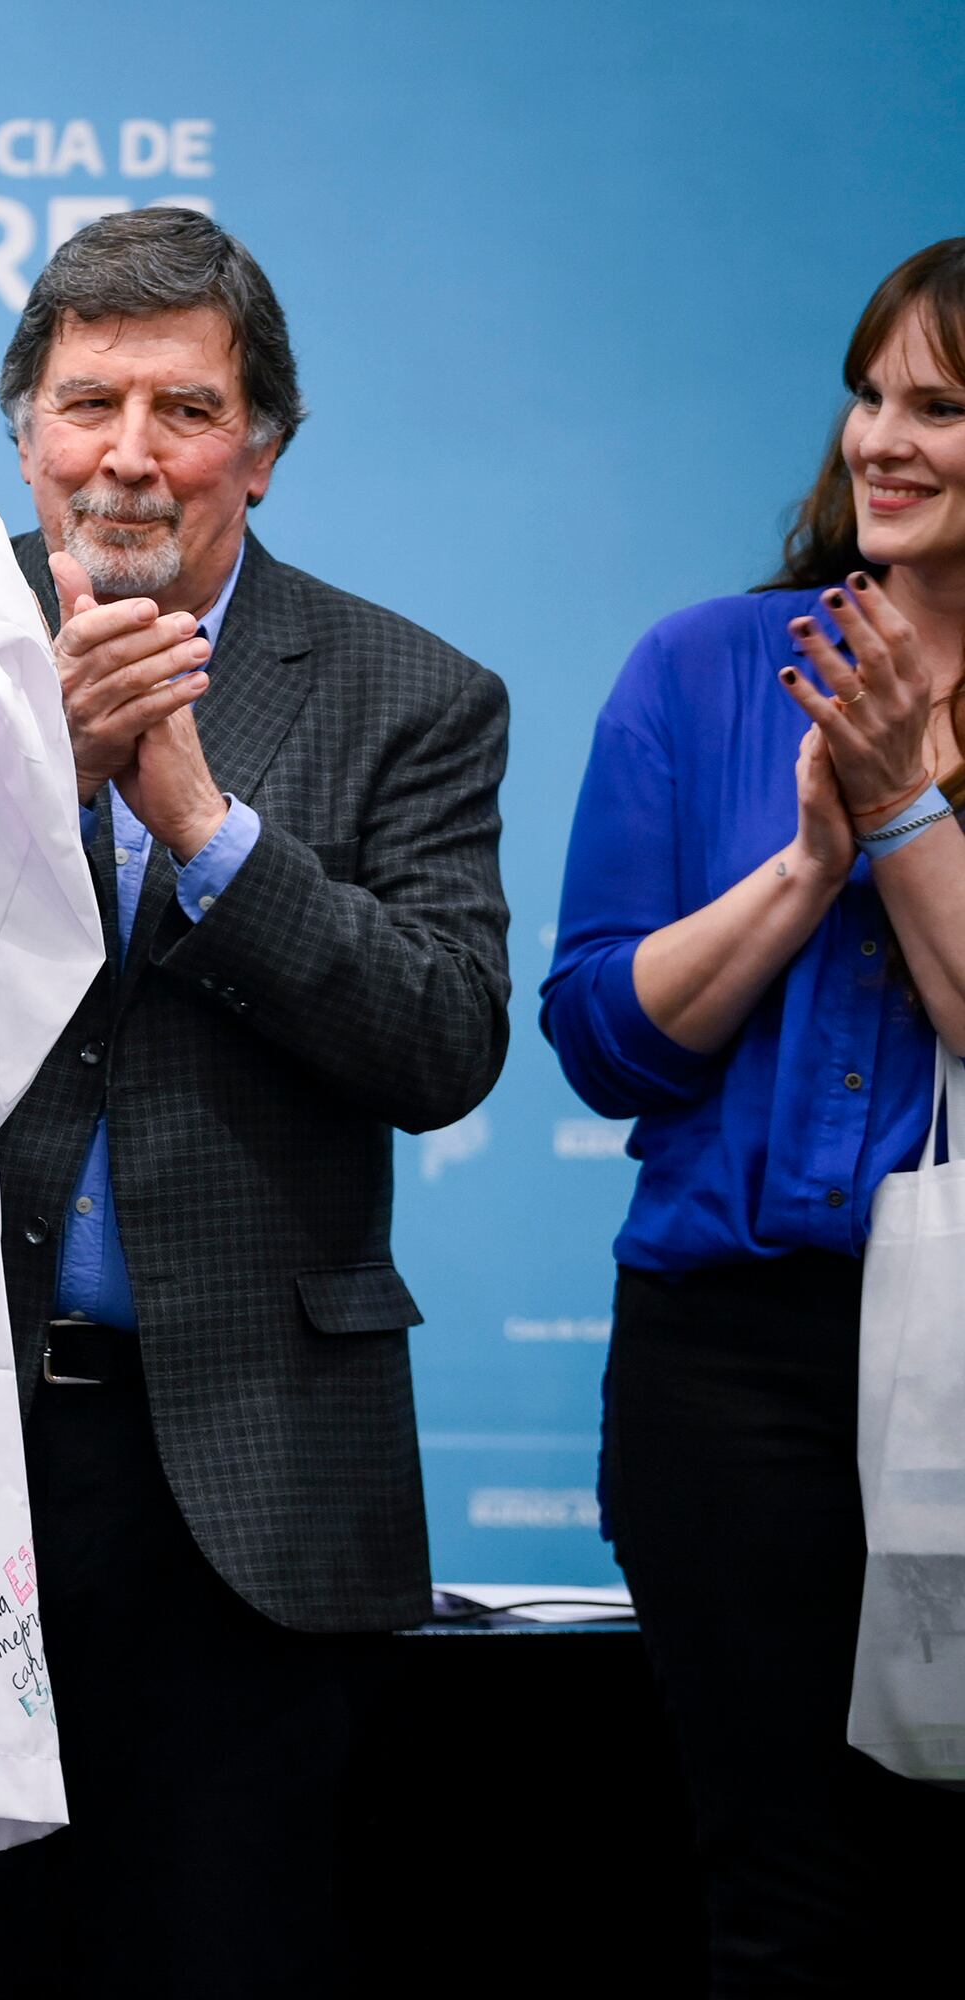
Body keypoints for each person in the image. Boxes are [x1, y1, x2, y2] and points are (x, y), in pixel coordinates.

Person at [0, 206, 513, 1993]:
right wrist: (15, 777)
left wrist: (206, 828)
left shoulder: (410, 694)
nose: (130, 452)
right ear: (24, 435)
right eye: (87, 402)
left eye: (185, 409)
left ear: (262, 452)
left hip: (260, 1485)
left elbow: (445, 1042)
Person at [540, 235, 965, 1990]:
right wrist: (807, 864)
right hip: (732, 1372)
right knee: (783, 1900)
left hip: (951, 1350)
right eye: (870, 394)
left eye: (940, 405)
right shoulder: (704, 669)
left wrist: (906, 813)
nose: (883, 438)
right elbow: (600, 1040)